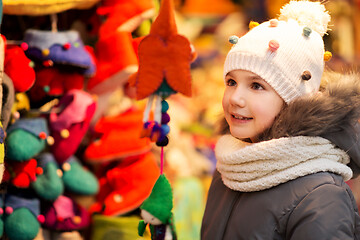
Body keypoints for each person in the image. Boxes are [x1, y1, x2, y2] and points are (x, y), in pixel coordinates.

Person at [201, 0, 360, 239]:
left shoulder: (321, 196)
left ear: (295, 100)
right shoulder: (232, 167)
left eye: (256, 85)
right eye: (231, 82)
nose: (235, 98)